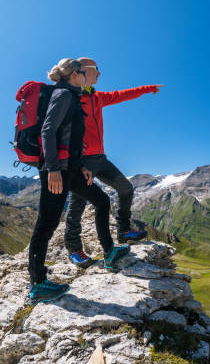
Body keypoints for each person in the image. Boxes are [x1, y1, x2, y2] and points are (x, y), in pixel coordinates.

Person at [28, 58, 131, 304]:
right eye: (84, 73)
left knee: (102, 200)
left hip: (72, 170)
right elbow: (47, 130)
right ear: (76, 74)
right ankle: (38, 284)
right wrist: (52, 169)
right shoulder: (63, 94)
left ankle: (109, 253)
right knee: (46, 225)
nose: (88, 77)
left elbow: (70, 138)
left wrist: (82, 166)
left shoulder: (72, 95)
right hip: (58, 171)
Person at [64, 57, 163, 268]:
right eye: (96, 69)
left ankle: (124, 230)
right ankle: (74, 248)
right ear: (83, 71)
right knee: (77, 203)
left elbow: (121, 95)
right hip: (81, 161)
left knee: (125, 188)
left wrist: (147, 88)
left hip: (100, 158)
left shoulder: (97, 97)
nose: (99, 73)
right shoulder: (70, 98)